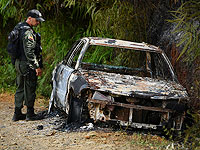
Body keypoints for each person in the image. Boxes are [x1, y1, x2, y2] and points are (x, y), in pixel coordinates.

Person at [12, 9, 45, 121]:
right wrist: (36, 66)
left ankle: (17, 113)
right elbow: (29, 52)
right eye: (37, 20)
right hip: (27, 64)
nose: (38, 23)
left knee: (20, 87)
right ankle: (30, 114)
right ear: (29, 18)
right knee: (30, 87)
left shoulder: (19, 27)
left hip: (18, 63)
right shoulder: (28, 32)